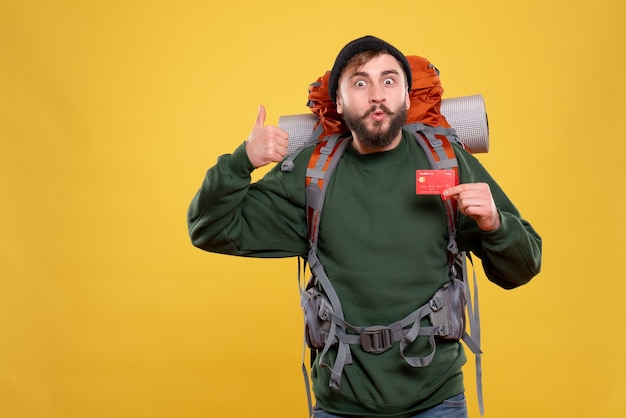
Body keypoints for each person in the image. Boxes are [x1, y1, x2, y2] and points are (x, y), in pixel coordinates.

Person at [187, 35, 542, 418]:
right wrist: (242, 161)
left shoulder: (444, 160)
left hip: (436, 400)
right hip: (342, 402)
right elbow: (209, 227)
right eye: (360, 82)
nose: (376, 95)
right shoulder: (313, 174)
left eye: (389, 81)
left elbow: (523, 267)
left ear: (406, 97)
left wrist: (494, 224)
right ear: (339, 102)